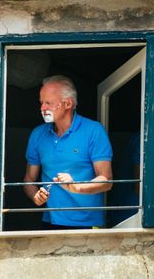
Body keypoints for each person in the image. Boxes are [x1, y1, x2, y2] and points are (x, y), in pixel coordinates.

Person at [23, 75, 113, 229]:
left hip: (87, 224)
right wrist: (35, 195)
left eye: (48, 103)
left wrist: (76, 187)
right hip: (50, 221)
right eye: (41, 103)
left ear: (68, 103)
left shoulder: (93, 131)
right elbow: (29, 180)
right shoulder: (38, 134)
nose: (42, 108)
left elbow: (106, 180)